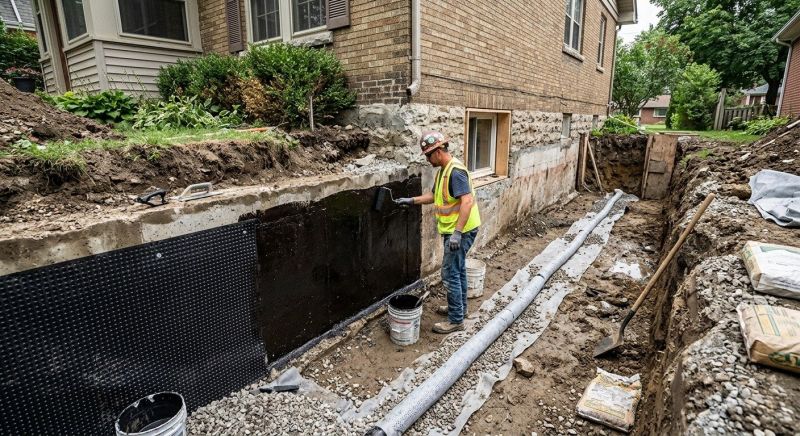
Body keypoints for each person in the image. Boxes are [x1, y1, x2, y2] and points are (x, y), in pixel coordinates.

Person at [395, 131, 481, 333]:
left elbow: (467, 202)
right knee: (457, 270)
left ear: (439, 151)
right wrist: (412, 200)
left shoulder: (455, 172)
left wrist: (457, 233)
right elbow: (434, 196)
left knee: (449, 273)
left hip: (461, 231)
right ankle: (459, 309)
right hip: (455, 230)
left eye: (428, 155)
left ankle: (456, 320)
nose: (427, 159)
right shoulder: (444, 170)